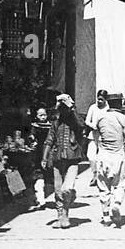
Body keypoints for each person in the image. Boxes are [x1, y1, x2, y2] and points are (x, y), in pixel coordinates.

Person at [41, 94, 87, 229]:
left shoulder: (75, 122)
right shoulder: (56, 123)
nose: (62, 111)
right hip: (57, 159)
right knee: (57, 190)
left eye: (64, 108)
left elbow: (82, 125)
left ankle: (66, 210)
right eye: (61, 108)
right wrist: (44, 157)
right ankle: (61, 216)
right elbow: (49, 140)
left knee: (67, 189)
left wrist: (72, 108)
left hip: (72, 159)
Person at [91, 94, 125, 227]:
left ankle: (106, 217)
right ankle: (116, 204)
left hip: (103, 155)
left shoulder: (100, 118)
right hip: (118, 155)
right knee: (120, 184)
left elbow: (95, 136)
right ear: (120, 104)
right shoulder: (123, 118)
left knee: (103, 186)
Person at [85, 91, 111, 194]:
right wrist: (93, 126)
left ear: (105, 100)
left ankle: (101, 177)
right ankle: (94, 174)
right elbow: (87, 120)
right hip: (93, 133)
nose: (99, 101)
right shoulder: (93, 107)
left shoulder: (108, 108)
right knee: (90, 155)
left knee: (102, 156)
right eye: (98, 99)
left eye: (102, 99)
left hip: (103, 135)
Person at [30, 106, 53, 207]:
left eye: (44, 115)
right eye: (40, 115)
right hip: (39, 152)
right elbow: (32, 136)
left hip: (49, 151)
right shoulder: (35, 126)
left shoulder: (51, 126)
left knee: (49, 174)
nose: (43, 117)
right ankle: (40, 199)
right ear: (36, 116)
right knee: (39, 174)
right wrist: (32, 139)